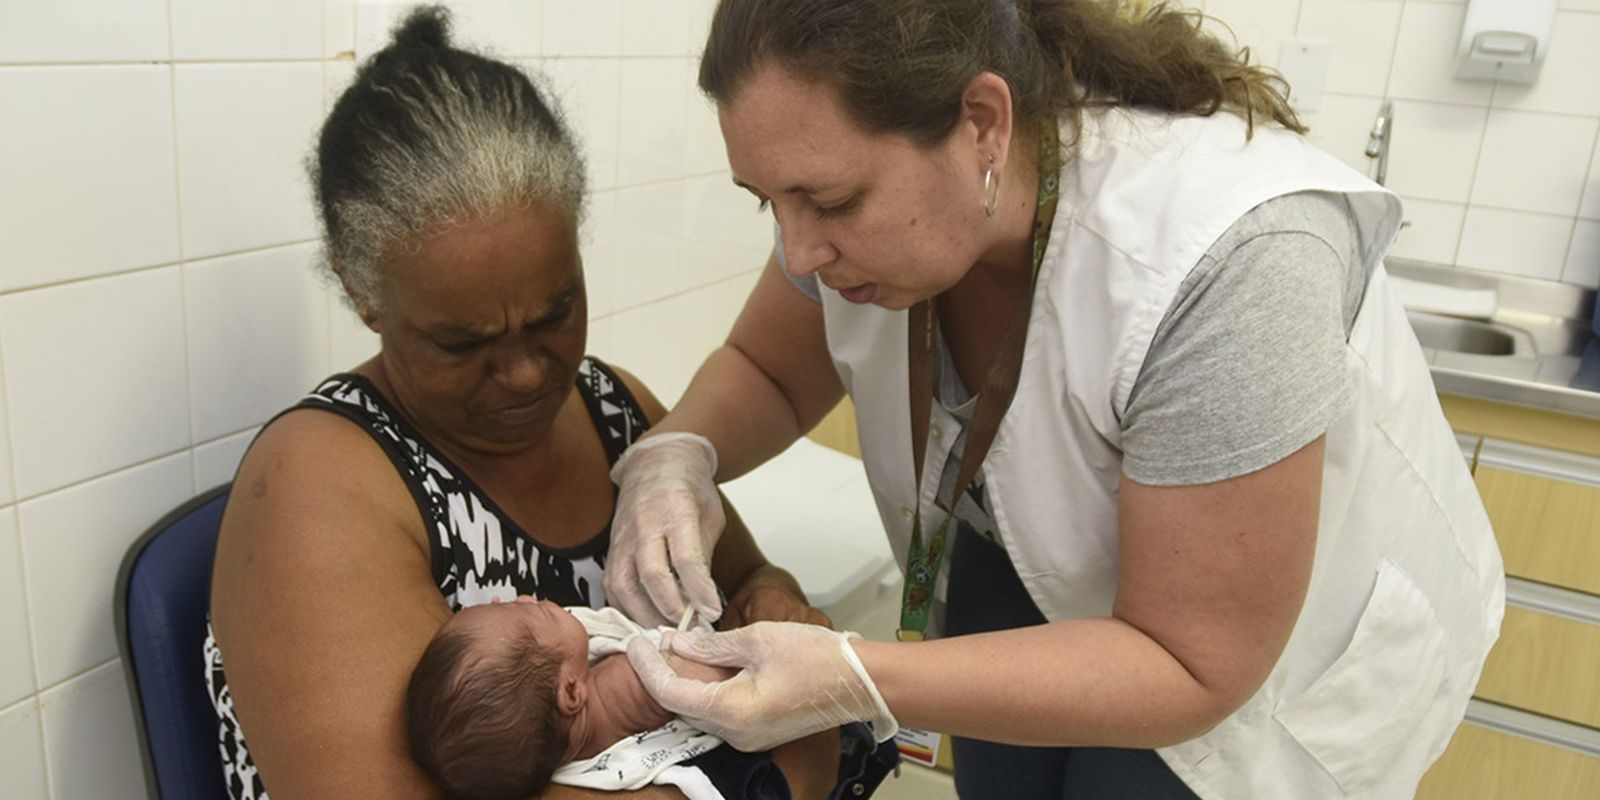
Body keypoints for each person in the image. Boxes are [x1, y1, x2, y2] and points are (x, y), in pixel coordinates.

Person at [605, 1, 1507, 798]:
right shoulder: (859, 210)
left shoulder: (1233, 258)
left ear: (982, 124)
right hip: (1038, 560)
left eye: (831, 201)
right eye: (769, 204)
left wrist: (854, 677)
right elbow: (767, 369)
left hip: (1256, 655)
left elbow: (1192, 663)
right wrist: (678, 453)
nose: (799, 254)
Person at [204, 7, 846, 799]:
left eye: (553, 314)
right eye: (462, 343)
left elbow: (748, 574)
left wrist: (773, 603)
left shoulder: (615, 410)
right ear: (363, 293)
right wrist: (786, 766)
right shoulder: (313, 485)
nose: (523, 374)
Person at [405, 598, 754, 800]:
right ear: (572, 692)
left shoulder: (556, 752)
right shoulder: (626, 683)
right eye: (531, 611)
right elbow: (720, 683)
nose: (527, 597)